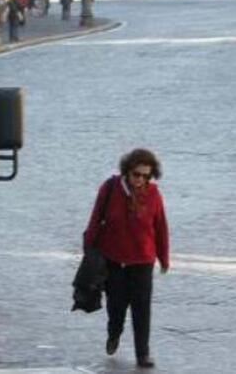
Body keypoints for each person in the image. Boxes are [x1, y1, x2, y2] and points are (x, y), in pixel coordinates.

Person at [83, 148, 170, 369]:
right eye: (136, 174)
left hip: (142, 261)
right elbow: (95, 220)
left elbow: (160, 227)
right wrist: (89, 252)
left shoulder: (154, 194)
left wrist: (164, 257)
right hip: (114, 260)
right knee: (117, 306)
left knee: (142, 308)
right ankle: (114, 333)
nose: (140, 180)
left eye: (145, 176)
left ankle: (143, 354)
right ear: (127, 172)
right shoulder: (110, 189)